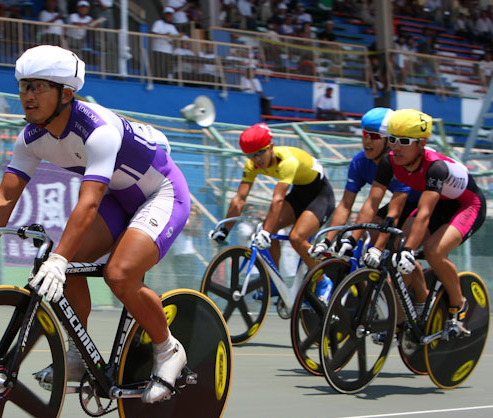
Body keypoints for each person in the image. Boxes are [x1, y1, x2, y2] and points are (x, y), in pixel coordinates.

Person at [0, 45, 191, 404]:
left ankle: (168, 349)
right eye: (24, 86)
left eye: (38, 87)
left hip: (160, 194)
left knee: (118, 274)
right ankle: (77, 353)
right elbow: (7, 196)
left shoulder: (96, 130)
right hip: (119, 197)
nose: (27, 96)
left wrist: (57, 259)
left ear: (66, 93)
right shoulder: (30, 137)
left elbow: (87, 203)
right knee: (66, 267)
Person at [356, 109, 486, 331]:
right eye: (393, 140)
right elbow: (372, 202)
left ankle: (458, 304)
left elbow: (424, 213)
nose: (396, 147)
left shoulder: (435, 167)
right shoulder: (389, 162)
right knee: (397, 251)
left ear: (421, 144)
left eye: (405, 141)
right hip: (437, 204)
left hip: (466, 205)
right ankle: (401, 317)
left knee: (434, 251)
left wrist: (410, 248)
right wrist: (354, 238)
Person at [208, 123, 336, 301]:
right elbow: (239, 199)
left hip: (320, 196)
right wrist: (224, 229)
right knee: (267, 229)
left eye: (260, 152)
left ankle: (323, 281)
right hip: (299, 194)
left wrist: (266, 232)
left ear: (271, 147)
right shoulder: (251, 165)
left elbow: (278, 199)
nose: (257, 159)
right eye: (251, 155)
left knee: (296, 237)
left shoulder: (287, 161)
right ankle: (275, 283)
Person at [308, 107, 420, 261]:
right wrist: (329, 240)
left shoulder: (400, 164)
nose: (367, 141)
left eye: (374, 136)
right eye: (365, 134)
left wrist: (378, 249)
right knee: (367, 235)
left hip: (427, 205)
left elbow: (397, 209)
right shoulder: (360, 162)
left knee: (399, 253)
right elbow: (347, 205)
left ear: (389, 140)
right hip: (405, 204)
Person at [150, 7, 182, 81]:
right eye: (167, 14)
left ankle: (164, 81)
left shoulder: (172, 26)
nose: (169, 16)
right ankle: (157, 82)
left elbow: (176, 36)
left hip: (168, 50)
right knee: (158, 69)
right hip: (158, 49)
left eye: (170, 15)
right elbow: (152, 33)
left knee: (166, 69)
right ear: (163, 15)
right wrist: (165, 35)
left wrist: (179, 35)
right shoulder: (158, 23)